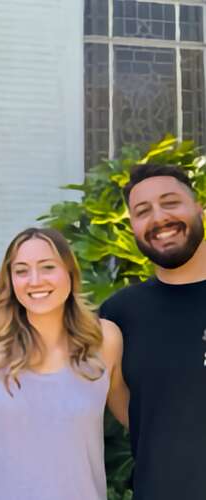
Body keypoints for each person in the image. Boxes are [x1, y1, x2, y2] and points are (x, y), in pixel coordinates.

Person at [0, 227, 128, 500]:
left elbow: (136, 417)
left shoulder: (105, 339)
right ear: (10, 280)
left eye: (48, 267)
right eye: (21, 271)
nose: (35, 280)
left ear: (70, 272)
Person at [100, 163, 206, 500]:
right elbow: (134, 412)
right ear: (133, 226)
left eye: (170, 202)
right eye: (143, 211)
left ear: (200, 208)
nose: (159, 218)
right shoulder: (119, 315)